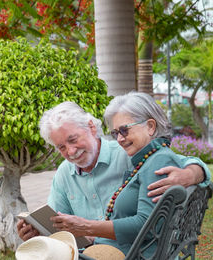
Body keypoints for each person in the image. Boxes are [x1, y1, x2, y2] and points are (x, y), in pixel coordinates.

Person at [17, 99, 211, 244]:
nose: (71, 151)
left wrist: (190, 174)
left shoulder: (130, 152)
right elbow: (57, 223)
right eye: (61, 147)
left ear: (91, 128)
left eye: (73, 139)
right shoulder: (63, 174)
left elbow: (187, 163)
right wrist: (39, 230)